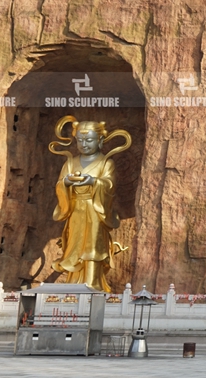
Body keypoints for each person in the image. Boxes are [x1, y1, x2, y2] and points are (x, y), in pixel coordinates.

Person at [49, 117, 131, 292]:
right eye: (80, 140)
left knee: (93, 246)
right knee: (74, 246)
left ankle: (93, 283)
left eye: (89, 140)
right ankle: (73, 285)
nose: (84, 144)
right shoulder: (70, 162)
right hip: (75, 210)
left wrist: (93, 181)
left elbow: (109, 185)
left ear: (100, 140)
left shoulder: (106, 163)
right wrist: (66, 183)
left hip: (95, 211)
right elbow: (59, 185)